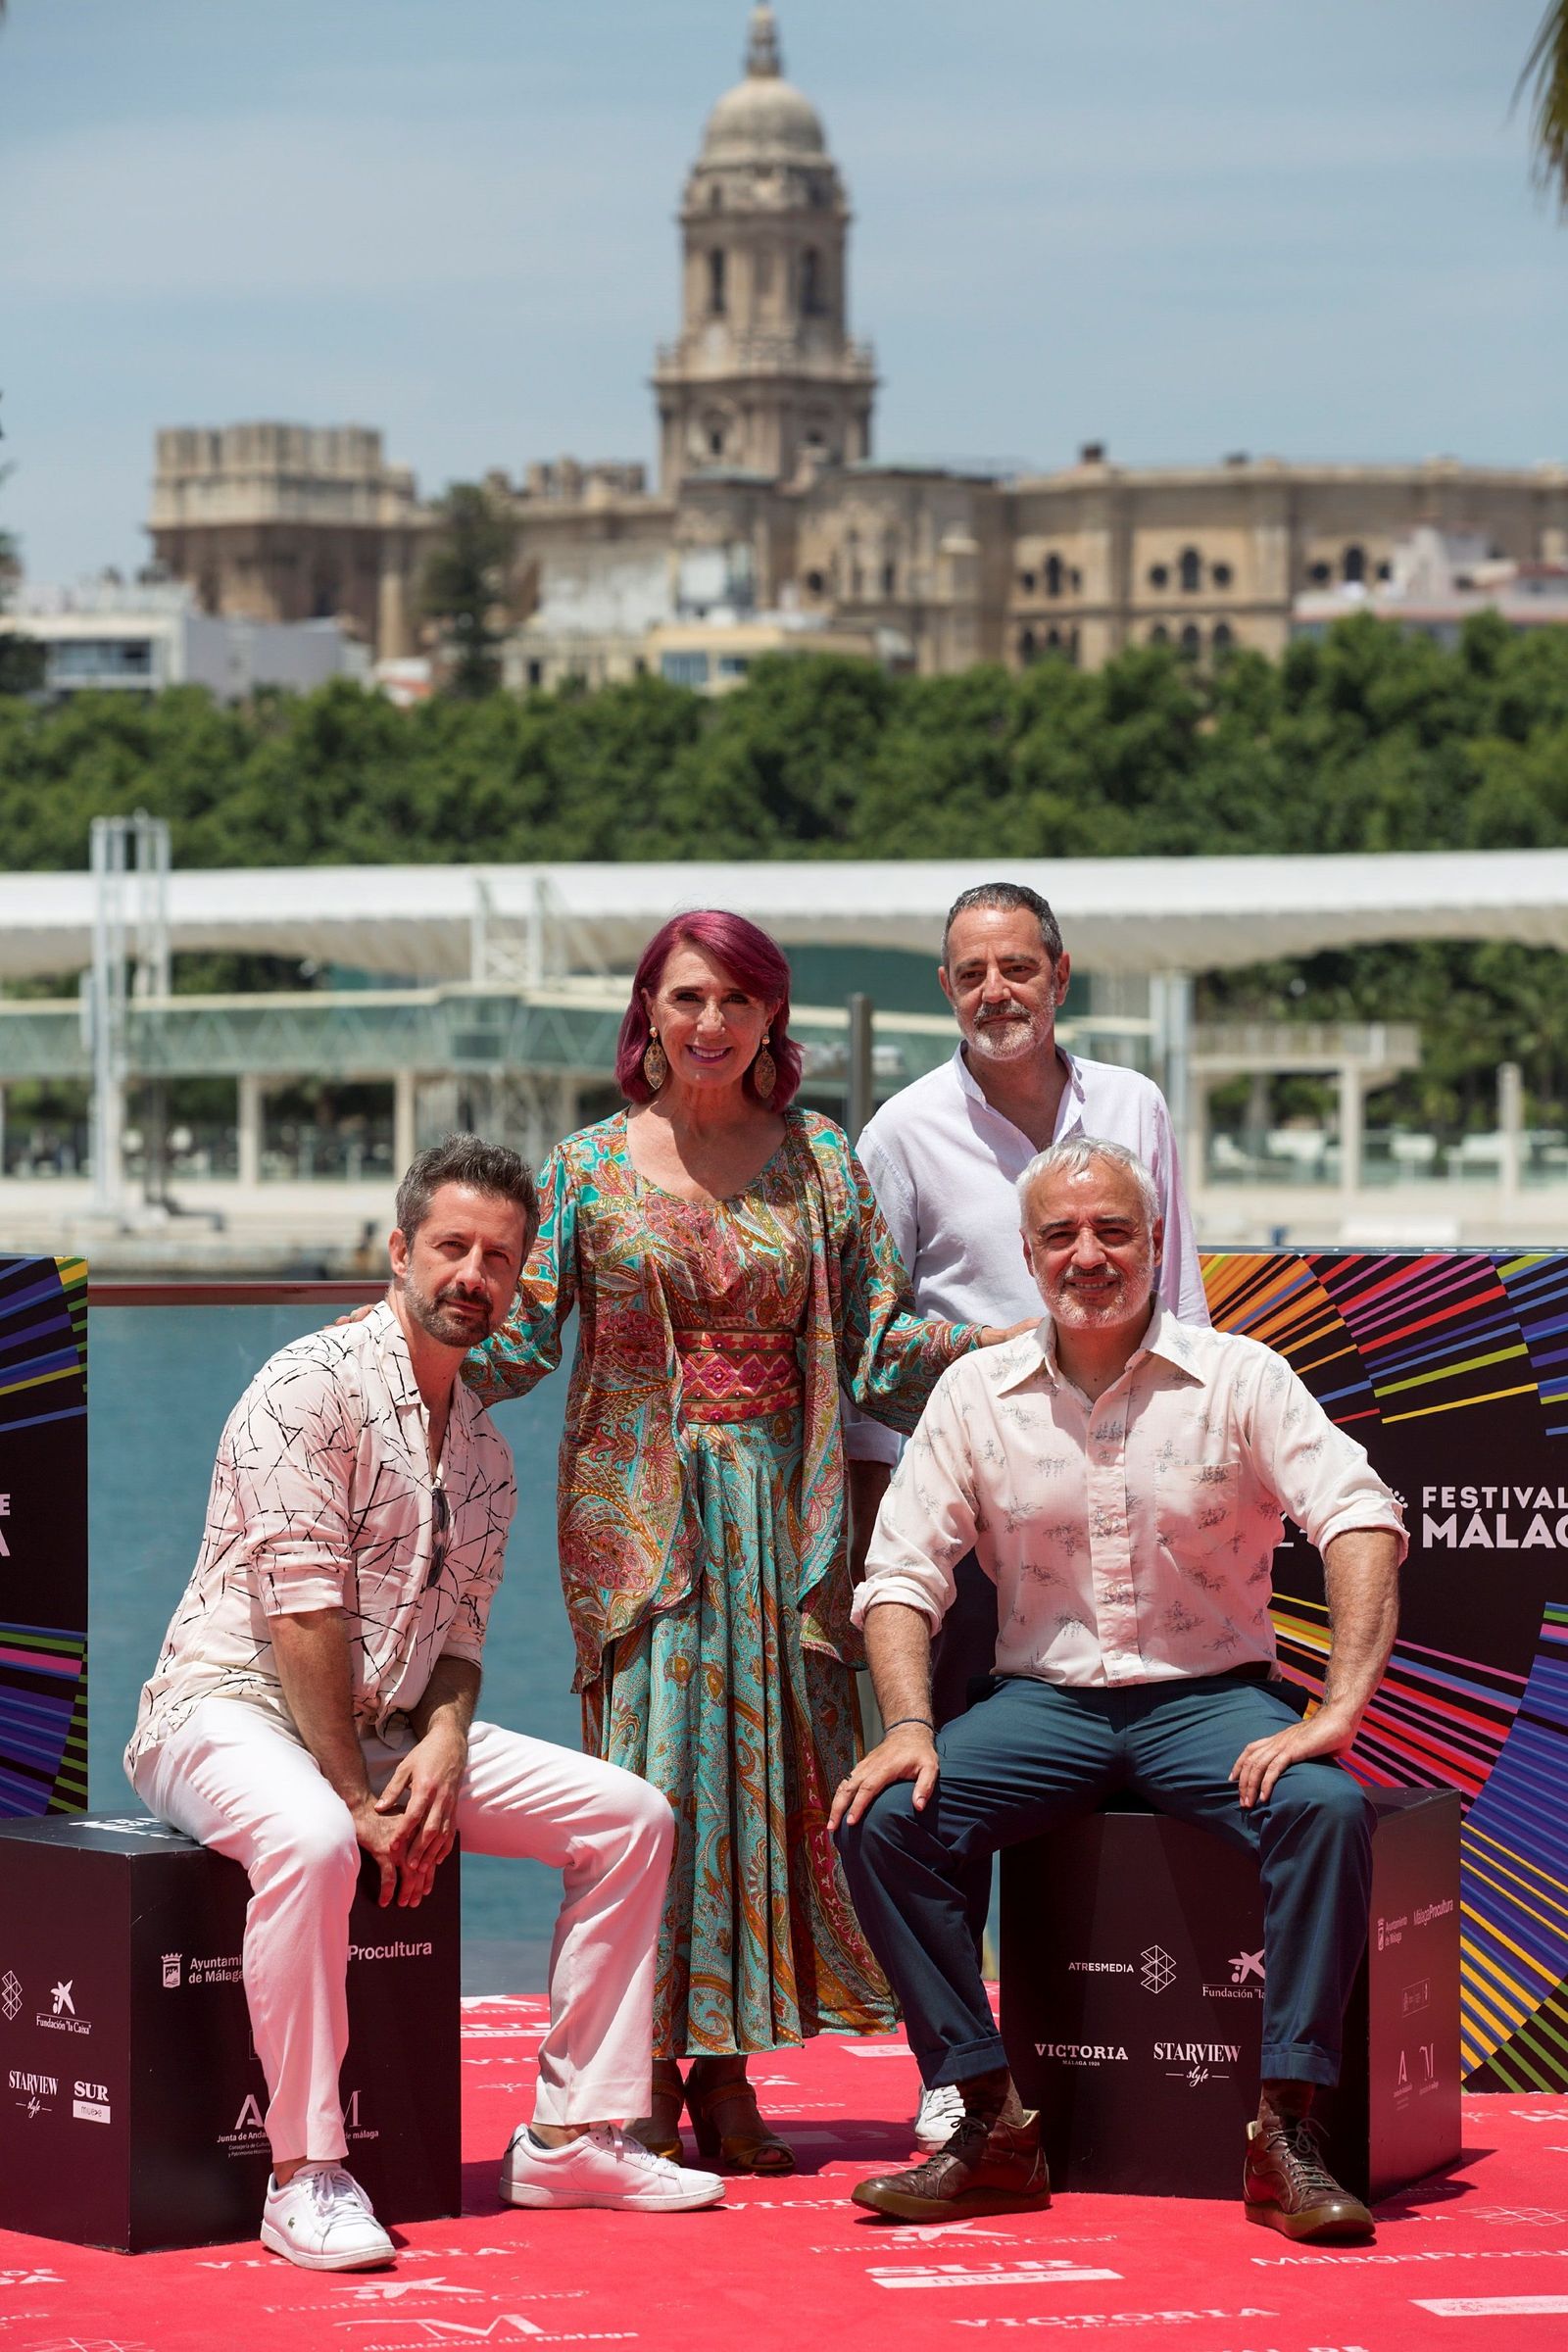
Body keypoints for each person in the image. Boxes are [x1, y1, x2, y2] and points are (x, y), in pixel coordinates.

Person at [463, 911, 1024, 2175]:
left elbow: (880, 1353)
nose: (708, 1023)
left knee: (757, 1806)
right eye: (685, 998)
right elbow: (517, 1341)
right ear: (646, 1015)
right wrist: (405, 1342)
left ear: (772, 1018)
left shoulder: (822, 1161)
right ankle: (638, 2085)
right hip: (642, 1528)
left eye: (735, 1000)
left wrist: (1003, 1352)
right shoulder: (588, 1169)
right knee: (653, 1796)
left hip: (788, 1517)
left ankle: (723, 2080)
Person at [126, 1136, 723, 2273]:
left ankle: (568, 2137)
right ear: (399, 1251)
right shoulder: (306, 1388)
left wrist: (444, 1743)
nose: (473, 1275)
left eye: (499, 1258)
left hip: (390, 1722)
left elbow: (454, 1650)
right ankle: (304, 2172)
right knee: (309, 1841)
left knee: (631, 1816)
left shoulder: (487, 1452)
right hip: (225, 1707)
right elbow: (303, 1621)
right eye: (451, 1246)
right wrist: (355, 1797)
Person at [833, 1136, 1403, 2239]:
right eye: (1059, 1235)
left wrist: (1336, 1709)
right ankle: (991, 2121)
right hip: (1042, 1705)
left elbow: (1360, 1516)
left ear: (1156, 1242)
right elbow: (898, 1574)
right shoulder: (974, 1392)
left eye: (1112, 1233)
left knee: (1326, 1810)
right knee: (879, 1820)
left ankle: (1283, 2132)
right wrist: (908, 1724)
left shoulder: (1240, 1376)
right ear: (1027, 1252)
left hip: (1209, 1700)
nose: (1086, 1256)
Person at [845, 879, 1208, 2149]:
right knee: (943, 1799)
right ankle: (960, 2076)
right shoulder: (896, 1137)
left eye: (1017, 967)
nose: (995, 991)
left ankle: (1135, 2060)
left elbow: (1189, 1302)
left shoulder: (1140, 1108)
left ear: (1061, 974)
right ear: (945, 990)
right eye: (969, 972)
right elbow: (867, 1342)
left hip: (1126, 1505)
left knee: (1124, 1777)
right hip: (968, 1512)